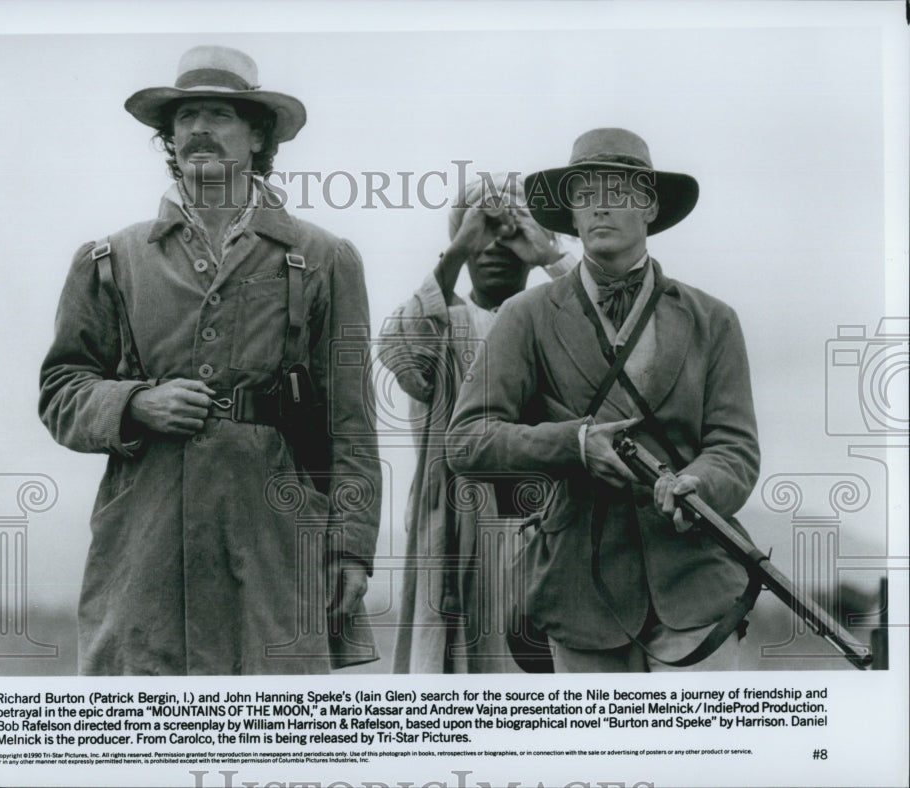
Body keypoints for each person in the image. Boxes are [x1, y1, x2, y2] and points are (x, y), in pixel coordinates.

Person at [39, 45, 380, 675]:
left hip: (276, 534)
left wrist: (352, 547)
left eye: (220, 114)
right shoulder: (110, 259)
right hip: (144, 539)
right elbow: (61, 391)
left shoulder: (326, 258)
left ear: (257, 135)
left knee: (274, 734)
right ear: (169, 137)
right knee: (142, 734)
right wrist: (135, 402)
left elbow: (351, 419)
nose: (199, 129)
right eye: (186, 115)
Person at [446, 129, 760, 672]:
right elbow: (468, 439)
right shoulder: (527, 315)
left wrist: (699, 484)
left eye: (618, 192)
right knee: (595, 756)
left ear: (650, 207)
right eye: (585, 194)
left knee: (706, 753)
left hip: (696, 583)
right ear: (571, 212)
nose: (599, 208)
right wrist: (576, 443)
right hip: (579, 588)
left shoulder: (714, 319)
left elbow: (734, 447)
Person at [377, 173, 572, 673]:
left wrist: (552, 255)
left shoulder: (561, 318)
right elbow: (400, 350)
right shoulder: (444, 322)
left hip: (552, 527)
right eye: (480, 233)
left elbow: (616, 329)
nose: (495, 247)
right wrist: (464, 240)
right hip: (460, 528)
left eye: (510, 236)